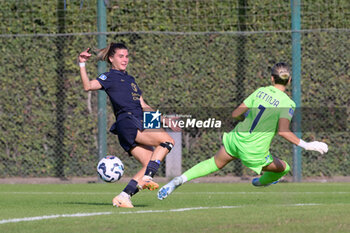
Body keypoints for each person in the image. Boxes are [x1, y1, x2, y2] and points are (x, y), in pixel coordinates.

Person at [157, 62, 328, 200]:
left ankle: (179, 180)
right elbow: (283, 131)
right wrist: (307, 145)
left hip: (236, 139)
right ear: (289, 81)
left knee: (213, 163)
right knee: (284, 168)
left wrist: (247, 118)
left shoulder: (260, 91)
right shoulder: (288, 103)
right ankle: (259, 182)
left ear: (271, 79)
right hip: (253, 151)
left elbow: (235, 113)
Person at [78, 43, 179, 208]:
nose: (125, 59)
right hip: (128, 122)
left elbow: (144, 106)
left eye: (126, 56)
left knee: (149, 163)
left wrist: (164, 120)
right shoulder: (109, 77)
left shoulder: (131, 80)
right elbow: (87, 86)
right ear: (111, 59)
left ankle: (123, 196)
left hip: (137, 121)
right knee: (167, 142)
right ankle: (148, 178)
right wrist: (82, 63)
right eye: (120, 56)